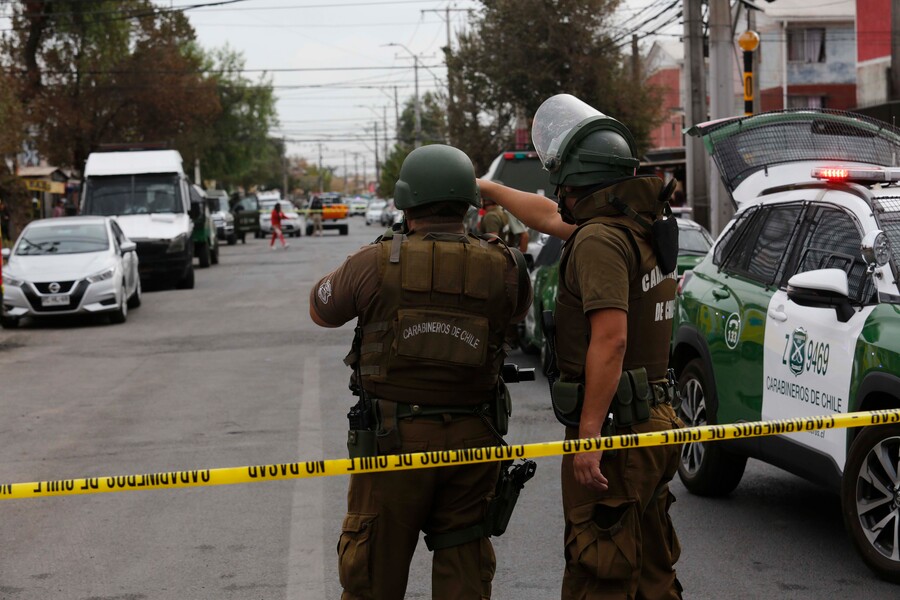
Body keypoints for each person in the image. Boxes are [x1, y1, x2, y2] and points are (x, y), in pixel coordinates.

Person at [478, 94, 684, 599]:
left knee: (601, 570)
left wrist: (589, 435)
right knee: (652, 571)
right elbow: (547, 217)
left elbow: (610, 340)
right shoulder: (638, 225)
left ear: (581, 183)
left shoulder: (599, 241)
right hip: (655, 420)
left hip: (617, 431)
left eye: (565, 183)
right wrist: (488, 188)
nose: (559, 193)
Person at [309, 144, 532, 600]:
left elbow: (321, 308)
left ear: (407, 204)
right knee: (464, 577)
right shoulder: (508, 267)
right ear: (468, 205)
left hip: (392, 444)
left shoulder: (374, 263)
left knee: (373, 577)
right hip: (474, 443)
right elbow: (514, 320)